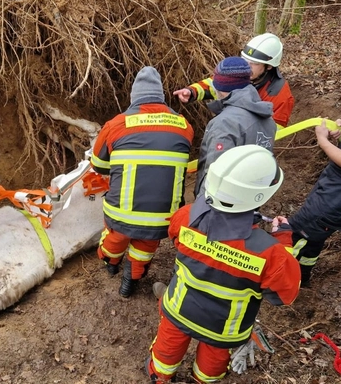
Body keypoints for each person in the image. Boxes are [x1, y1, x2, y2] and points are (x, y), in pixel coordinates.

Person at [146, 145, 300, 384]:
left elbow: (176, 239)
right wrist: (283, 242)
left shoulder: (187, 216)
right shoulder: (271, 253)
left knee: (167, 348)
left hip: (179, 308)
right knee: (212, 363)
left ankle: (160, 382)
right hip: (224, 328)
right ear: (260, 195)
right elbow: (283, 295)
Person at [90, 66, 194, 297]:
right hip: (164, 216)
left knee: (115, 237)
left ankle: (110, 264)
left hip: (122, 213)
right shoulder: (184, 126)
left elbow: (99, 165)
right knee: (146, 245)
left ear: (134, 97)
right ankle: (130, 281)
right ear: (161, 96)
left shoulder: (116, 124)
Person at [192, 57, 276, 196]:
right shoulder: (267, 118)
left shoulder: (224, 123)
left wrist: (203, 204)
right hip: (251, 199)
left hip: (221, 203)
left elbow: (215, 177)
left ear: (220, 87)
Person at [173, 33, 295, 127]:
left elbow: (273, 134)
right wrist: (192, 91)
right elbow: (215, 84)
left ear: (269, 66)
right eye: (245, 60)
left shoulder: (281, 94)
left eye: (254, 63)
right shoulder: (240, 72)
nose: (247, 66)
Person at [288, 119, 341, 287]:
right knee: (313, 239)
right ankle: (302, 279)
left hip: (333, 201)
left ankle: (280, 281)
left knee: (294, 234)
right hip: (334, 195)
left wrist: (323, 141)